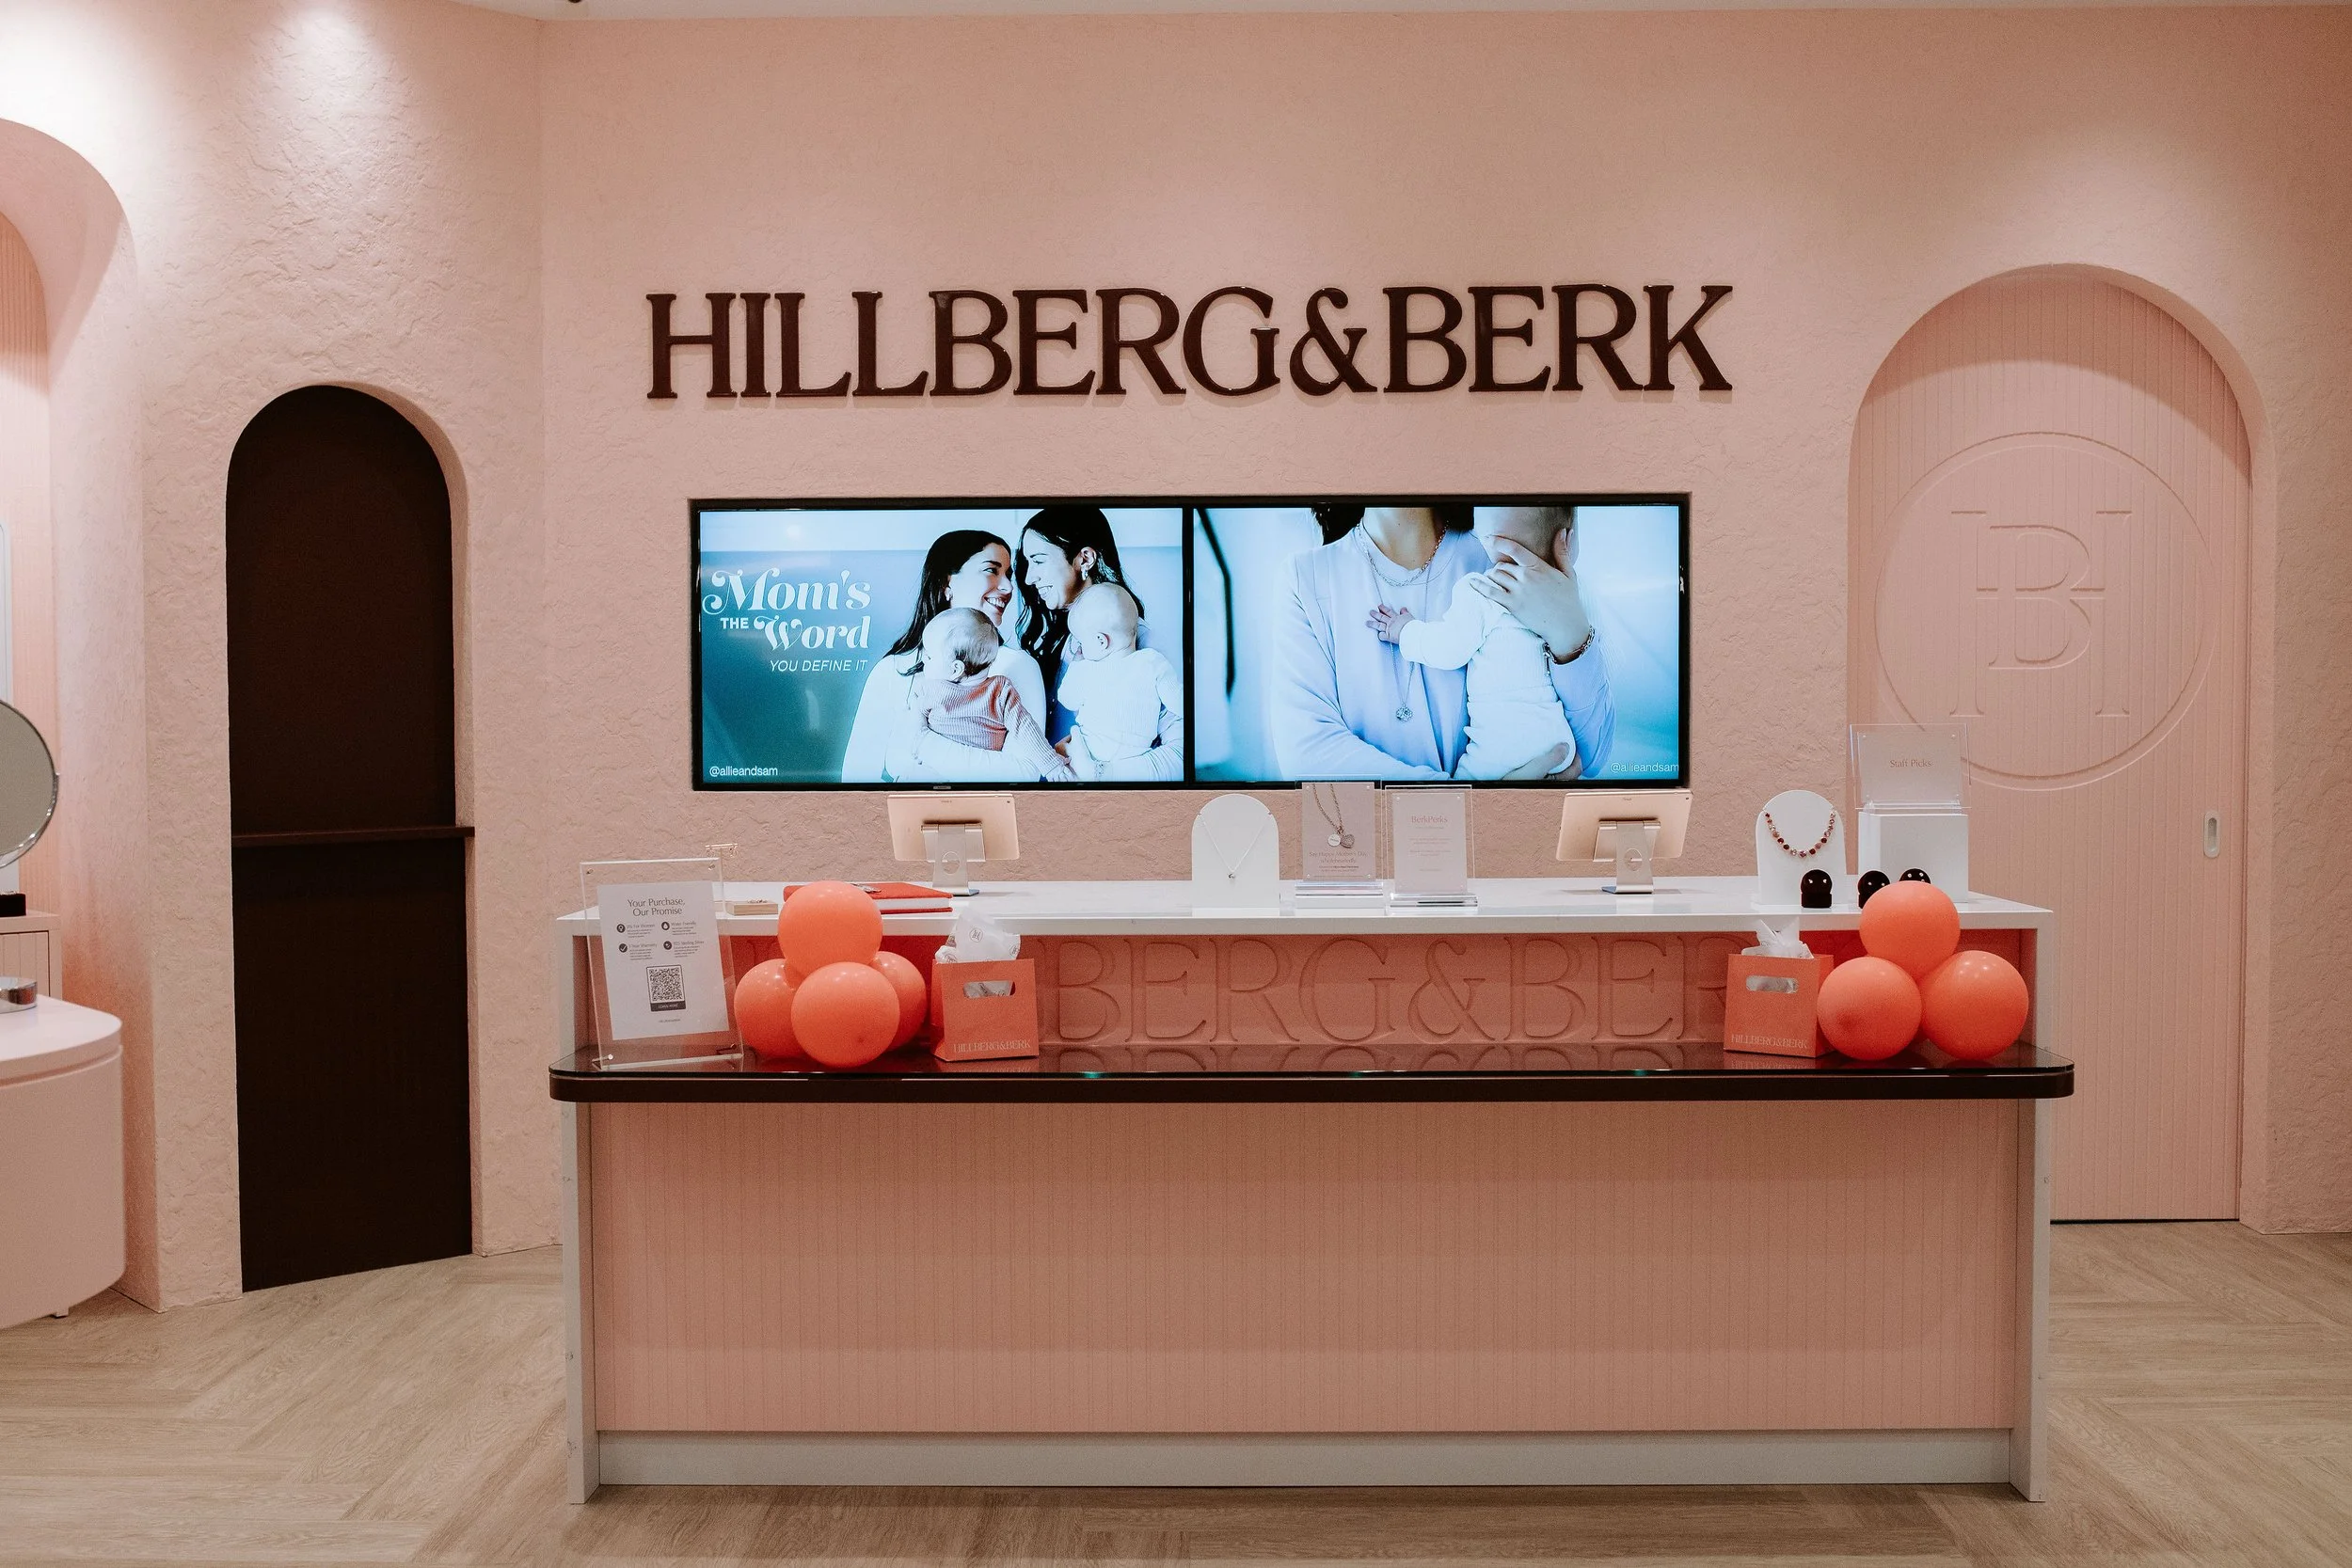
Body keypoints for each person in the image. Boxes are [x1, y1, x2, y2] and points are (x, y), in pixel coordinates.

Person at [1268, 503, 1613, 781]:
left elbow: (1588, 759)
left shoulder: (1507, 557)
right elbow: (1308, 754)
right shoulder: (1305, 578)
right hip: (1373, 855)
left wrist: (1572, 637)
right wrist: (1473, 805)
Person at [1367, 509, 1577, 780]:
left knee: (1465, 796)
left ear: (1487, 541)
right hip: (1559, 742)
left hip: (1500, 749)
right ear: (1568, 541)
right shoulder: (1566, 598)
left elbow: (1449, 650)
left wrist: (1405, 630)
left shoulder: (1481, 589)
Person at [838, 531, 1050, 783]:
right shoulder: (893, 670)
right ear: (947, 583)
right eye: (992, 570)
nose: (1008, 587)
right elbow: (856, 777)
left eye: (1008, 575)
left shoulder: (1017, 667)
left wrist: (922, 743)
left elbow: (1024, 772)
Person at [1016, 505, 1182, 780]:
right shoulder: (1063, 639)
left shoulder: (1144, 646)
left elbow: (1180, 757)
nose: (1028, 577)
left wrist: (1098, 773)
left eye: (1039, 560)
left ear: (1085, 559)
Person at [905, 608, 1072, 782]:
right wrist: (1051, 765)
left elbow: (915, 728)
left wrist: (918, 746)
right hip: (957, 776)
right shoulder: (1000, 691)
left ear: (955, 669)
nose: (924, 660)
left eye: (929, 657)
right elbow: (1026, 728)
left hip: (956, 774)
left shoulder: (931, 689)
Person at [1057, 583, 1184, 781]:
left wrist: (1076, 664)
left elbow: (1066, 699)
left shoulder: (1087, 668)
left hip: (1089, 751)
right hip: (1136, 757)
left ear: (1101, 641)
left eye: (1081, 642)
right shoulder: (1153, 661)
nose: (1080, 649)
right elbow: (1180, 703)